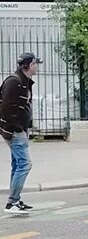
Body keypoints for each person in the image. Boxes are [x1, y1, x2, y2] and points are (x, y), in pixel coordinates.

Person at [0, 52, 42, 214]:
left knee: (17, 164)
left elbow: (22, 107)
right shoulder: (15, 82)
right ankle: (12, 202)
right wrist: (18, 129)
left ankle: (15, 199)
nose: (37, 66)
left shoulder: (22, 81)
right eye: (36, 63)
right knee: (25, 164)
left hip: (19, 129)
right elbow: (5, 109)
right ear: (30, 65)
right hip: (14, 131)